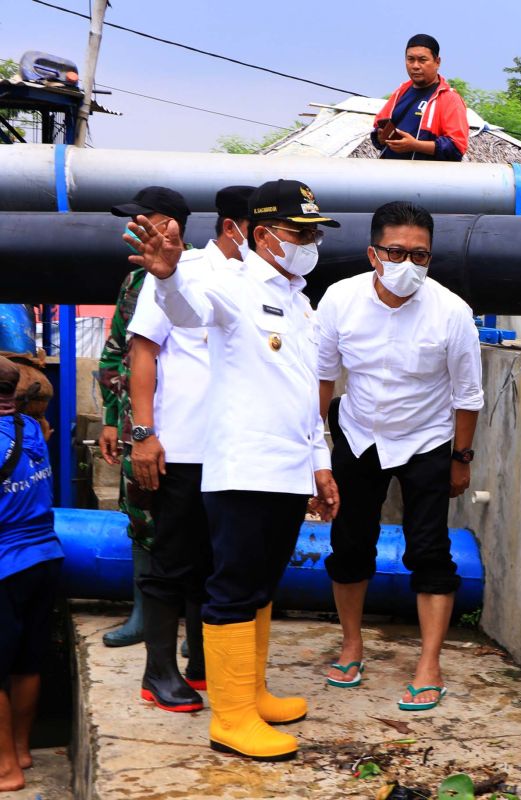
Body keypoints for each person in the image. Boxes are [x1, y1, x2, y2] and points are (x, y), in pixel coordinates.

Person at [127, 178, 339, 762]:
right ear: (263, 232)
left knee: (262, 586)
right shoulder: (227, 281)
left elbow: (305, 394)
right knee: (231, 590)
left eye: (314, 233)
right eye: (299, 232)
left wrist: (321, 464)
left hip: (288, 468)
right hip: (244, 467)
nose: (308, 242)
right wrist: (167, 274)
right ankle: (232, 717)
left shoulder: (299, 301)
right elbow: (188, 312)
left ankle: (253, 692)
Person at [316, 201, 482, 710]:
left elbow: (467, 396)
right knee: (349, 544)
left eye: (421, 255)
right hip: (358, 435)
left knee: (429, 550)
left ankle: (429, 662)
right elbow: (322, 378)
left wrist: (460, 459)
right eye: (397, 252)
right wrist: (313, 452)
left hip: (426, 441)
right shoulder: (339, 301)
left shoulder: (452, 312)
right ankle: (351, 644)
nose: (408, 264)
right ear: (373, 253)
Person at [125, 185, 255, 713]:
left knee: (214, 560)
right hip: (180, 445)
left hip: (235, 451)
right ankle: (158, 672)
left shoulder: (261, 283)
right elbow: (143, 352)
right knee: (170, 561)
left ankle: (203, 661)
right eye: (268, 231)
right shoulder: (183, 271)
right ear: (235, 227)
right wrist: (144, 432)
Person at [98, 186, 192, 649]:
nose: (134, 227)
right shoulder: (135, 279)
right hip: (140, 426)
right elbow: (116, 353)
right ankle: (144, 617)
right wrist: (113, 421)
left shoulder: (200, 274)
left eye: (145, 219)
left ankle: (195, 629)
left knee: (192, 525)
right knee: (139, 514)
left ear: (173, 224)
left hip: (187, 425)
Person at [0, 356, 63, 793]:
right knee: (26, 662)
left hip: (5, 563)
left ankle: (6, 769)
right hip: (45, 557)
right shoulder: (34, 431)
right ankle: (21, 749)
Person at [371, 34, 469, 162]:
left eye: (422, 60)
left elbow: (456, 148)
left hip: (427, 179)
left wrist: (415, 145)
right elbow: (376, 130)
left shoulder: (450, 99)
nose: (415, 66)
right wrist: (381, 136)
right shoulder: (400, 93)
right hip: (391, 176)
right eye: (410, 59)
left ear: (437, 62)